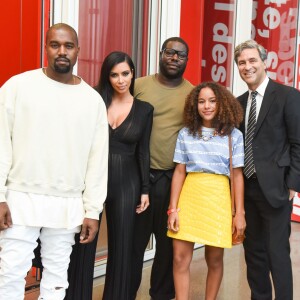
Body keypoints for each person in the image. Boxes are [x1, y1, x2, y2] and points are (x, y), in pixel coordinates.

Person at [0, 23, 108, 300]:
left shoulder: (92, 100)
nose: (62, 51)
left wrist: (93, 210)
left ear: (78, 51)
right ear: (45, 47)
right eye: (55, 44)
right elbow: (1, 145)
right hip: (20, 199)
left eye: (68, 46)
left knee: (57, 277)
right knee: (10, 273)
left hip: (68, 201)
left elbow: (97, 160)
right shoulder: (17, 87)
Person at [65, 51, 153, 300]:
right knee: (83, 244)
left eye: (125, 73)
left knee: (122, 248)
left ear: (133, 73)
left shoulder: (145, 110)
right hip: (91, 181)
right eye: (114, 75)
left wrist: (145, 189)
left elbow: (143, 152)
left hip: (127, 183)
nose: (120, 80)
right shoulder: (94, 101)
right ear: (107, 76)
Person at [167, 81, 246, 300]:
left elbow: (237, 176)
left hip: (218, 199)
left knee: (214, 260)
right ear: (195, 105)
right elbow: (179, 172)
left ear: (222, 104)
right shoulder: (185, 134)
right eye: (201, 101)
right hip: (190, 196)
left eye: (212, 101)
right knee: (180, 258)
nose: (207, 106)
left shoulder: (234, 136)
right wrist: (173, 209)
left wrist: (239, 213)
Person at [234, 39, 300, 300]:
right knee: (254, 256)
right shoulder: (238, 102)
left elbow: (298, 142)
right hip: (247, 191)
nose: (247, 66)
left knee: (277, 255)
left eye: (252, 60)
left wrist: (293, 185)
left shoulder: (287, 96)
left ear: (265, 62)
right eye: (242, 62)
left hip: (276, 190)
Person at [131, 37, 194, 300]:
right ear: (161, 54)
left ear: (186, 61)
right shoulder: (139, 86)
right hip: (138, 179)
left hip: (172, 181)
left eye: (180, 55)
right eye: (170, 53)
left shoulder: (192, 94)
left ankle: (160, 295)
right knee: (132, 246)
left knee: (167, 249)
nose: (174, 58)